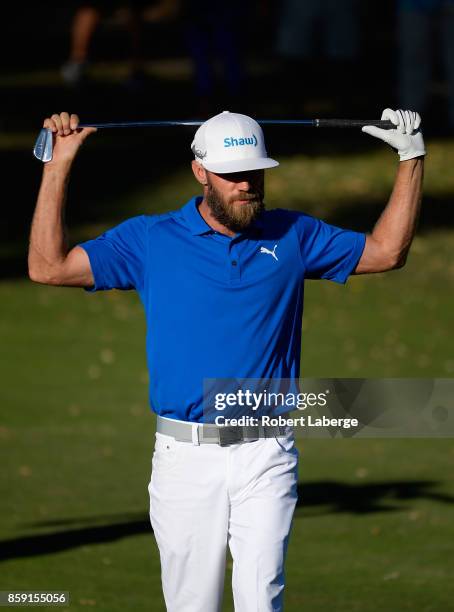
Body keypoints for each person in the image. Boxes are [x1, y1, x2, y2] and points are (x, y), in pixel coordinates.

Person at [28, 108, 425, 611]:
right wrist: (58, 165)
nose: (246, 184)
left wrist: (410, 159)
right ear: (200, 172)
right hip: (185, 458)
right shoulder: (151, 239)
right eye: (233, 174)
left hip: (266, 452)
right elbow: (47, 267)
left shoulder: (293, 235)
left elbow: (387, 252)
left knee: (262, 598)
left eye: (255, 173)